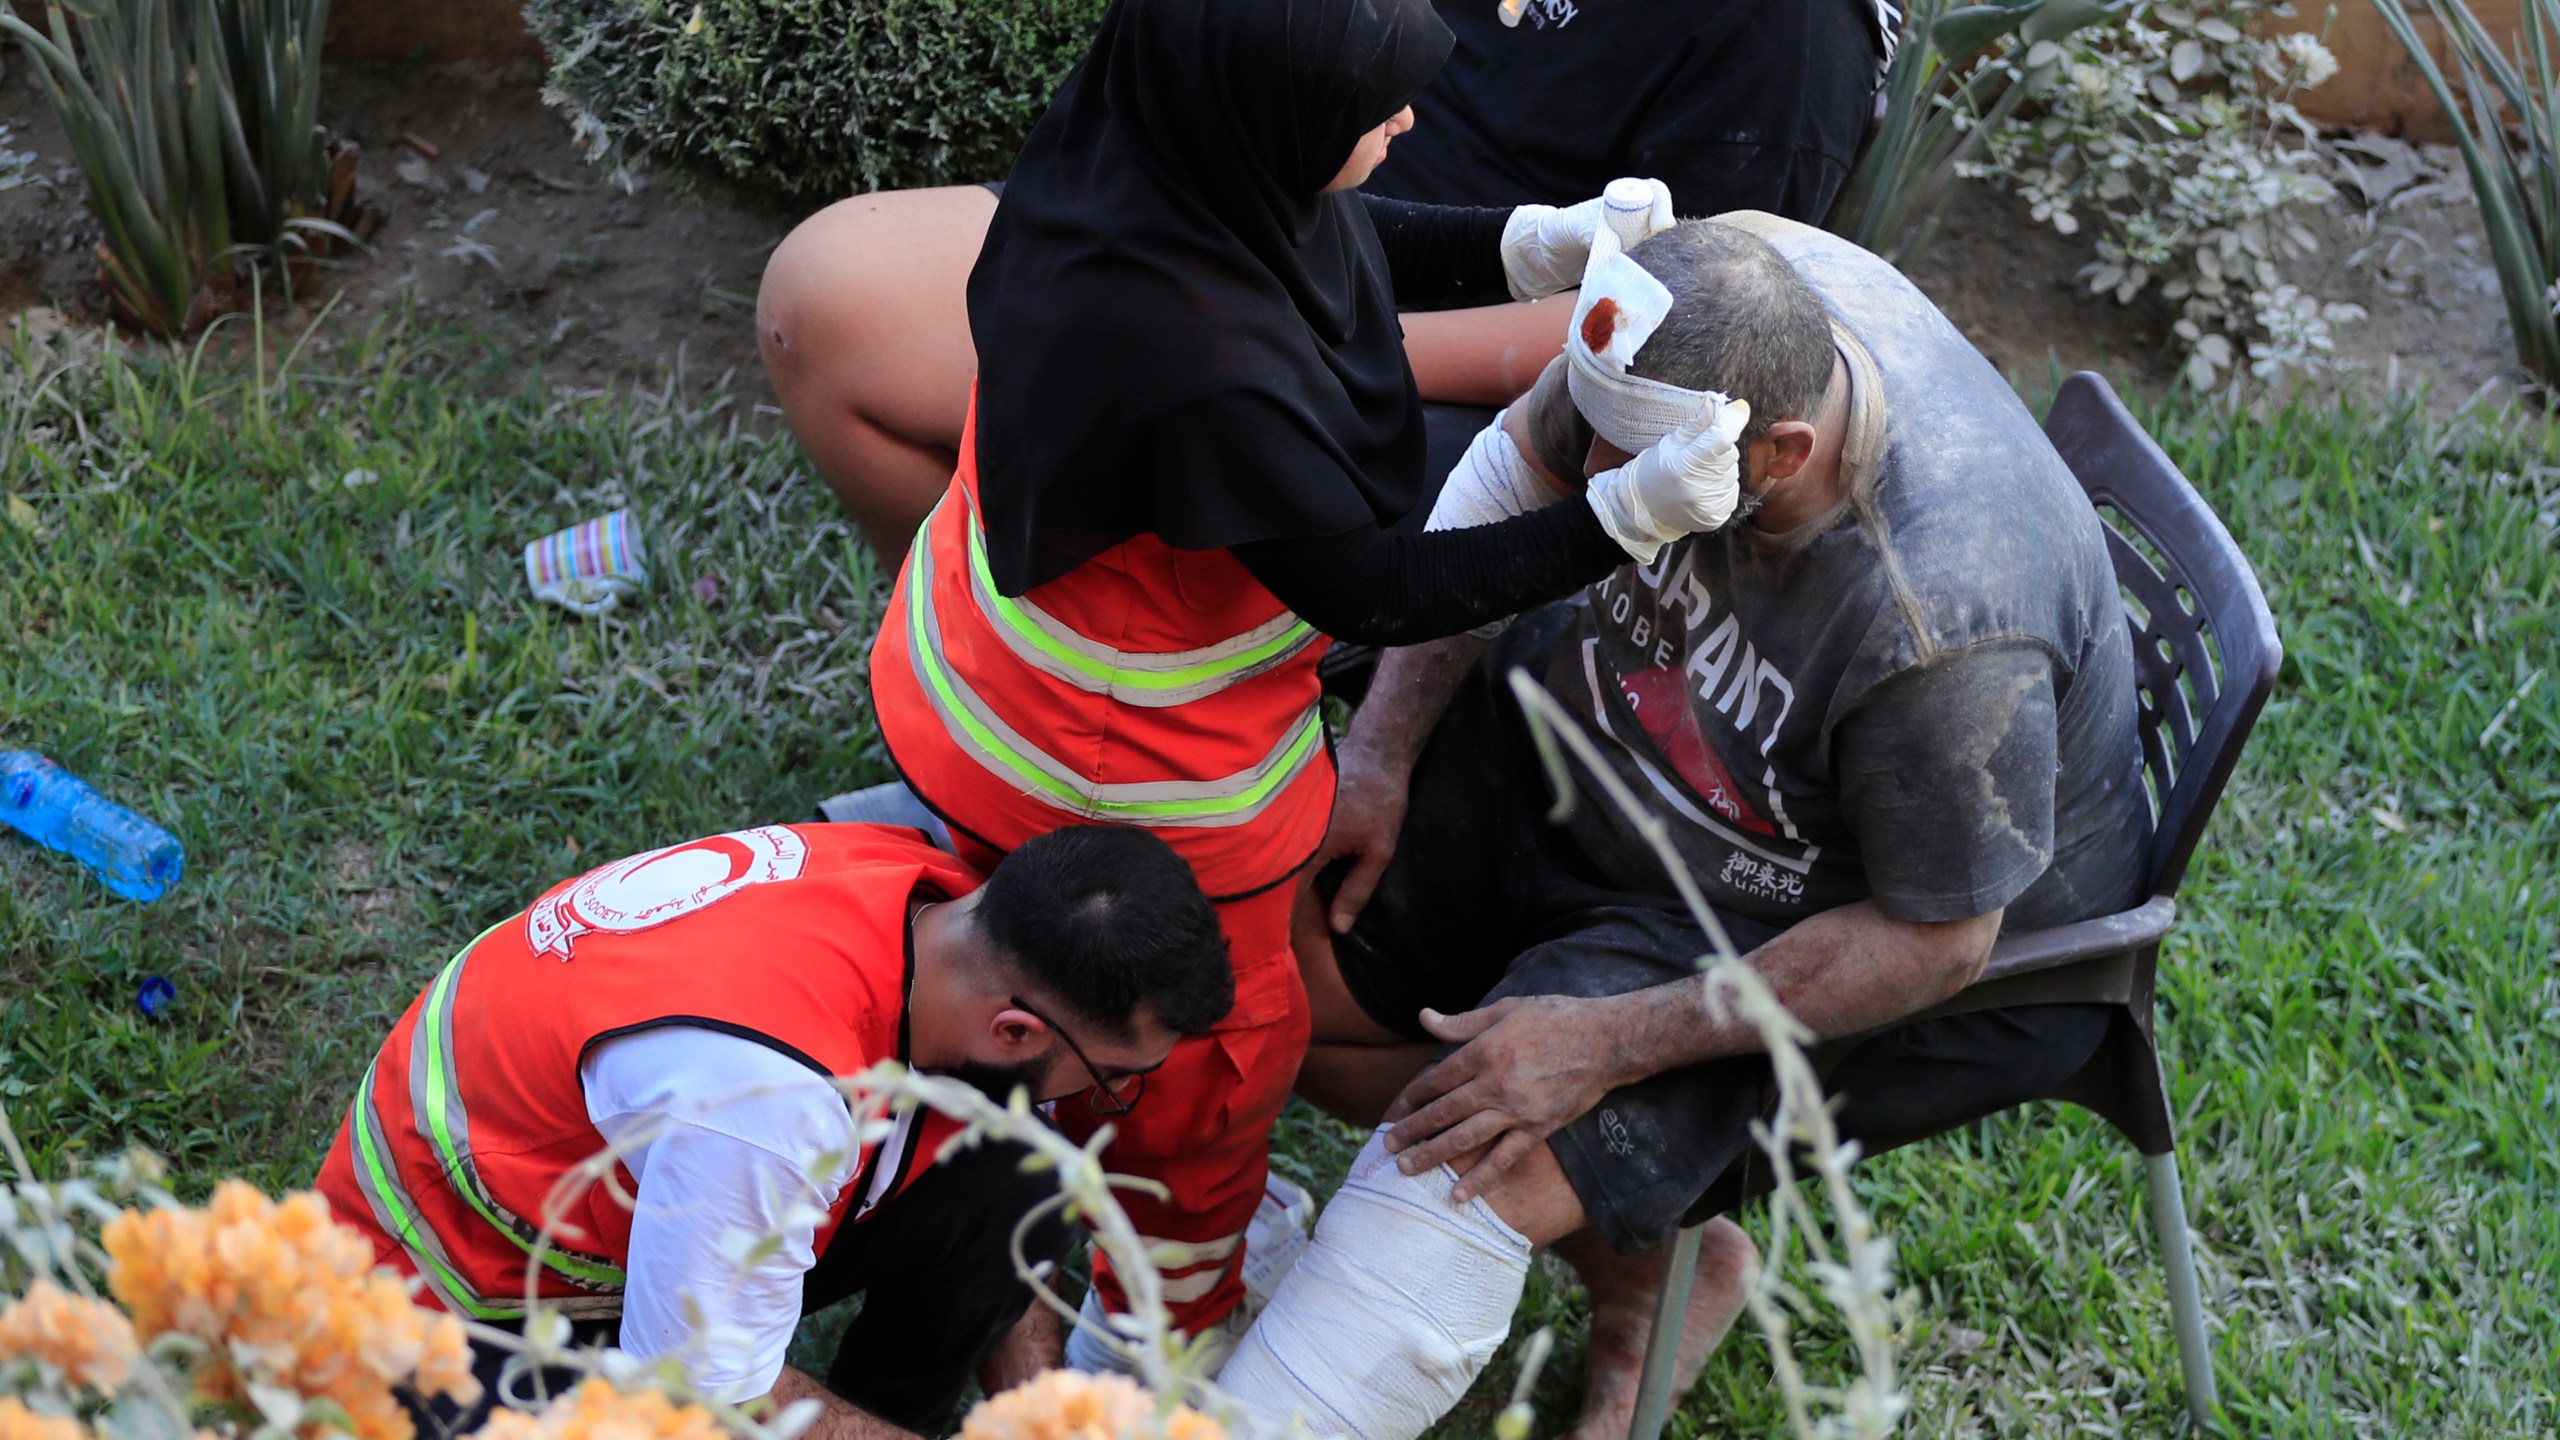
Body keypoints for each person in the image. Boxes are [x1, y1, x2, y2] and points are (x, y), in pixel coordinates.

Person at [863, 0, 1756, 1367]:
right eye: (1374, 109)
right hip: (1117, 747)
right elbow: (1380, 592)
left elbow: (1315, 233)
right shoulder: (1208, 377)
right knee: (1218, 1050)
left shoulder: (1136, 155)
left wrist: (1529, 242)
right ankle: (1166, 1307)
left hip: (980, 643)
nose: (1404, 124)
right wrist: (1624, 517)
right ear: (1270, 119)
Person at [1217, 214, 2153, 1440]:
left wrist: (1604, 1041)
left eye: (1638, 467)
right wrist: (1382, 753)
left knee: (1462, 1165)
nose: (1601, 480)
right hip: (1617, 745)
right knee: (1257, 981)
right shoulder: (1693, 308)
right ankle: (1651, 1265)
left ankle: (1581, 1247)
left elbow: (1941, 942)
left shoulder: (1937, 617)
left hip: (1813, 899)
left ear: (1781, 449)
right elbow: (1525, 469)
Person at [757, 0, 1898, 558]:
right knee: (832, 295)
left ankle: (1145, 715)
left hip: (1434, 379)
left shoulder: (1791, 40)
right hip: (1256, 240)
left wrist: (1299, 340)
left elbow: (1684, 334)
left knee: (849, 305)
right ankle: (1018, 657)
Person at [312, 822, 1234, 1439]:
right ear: (1018, 1029)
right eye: (1111, 1077)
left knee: (1021, 1170)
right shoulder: (769, 1104)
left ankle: (880, 1407)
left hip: (607, 1200)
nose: (1108, 1097)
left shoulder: (922, 895)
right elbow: (711, 1396)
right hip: (442, 1299)